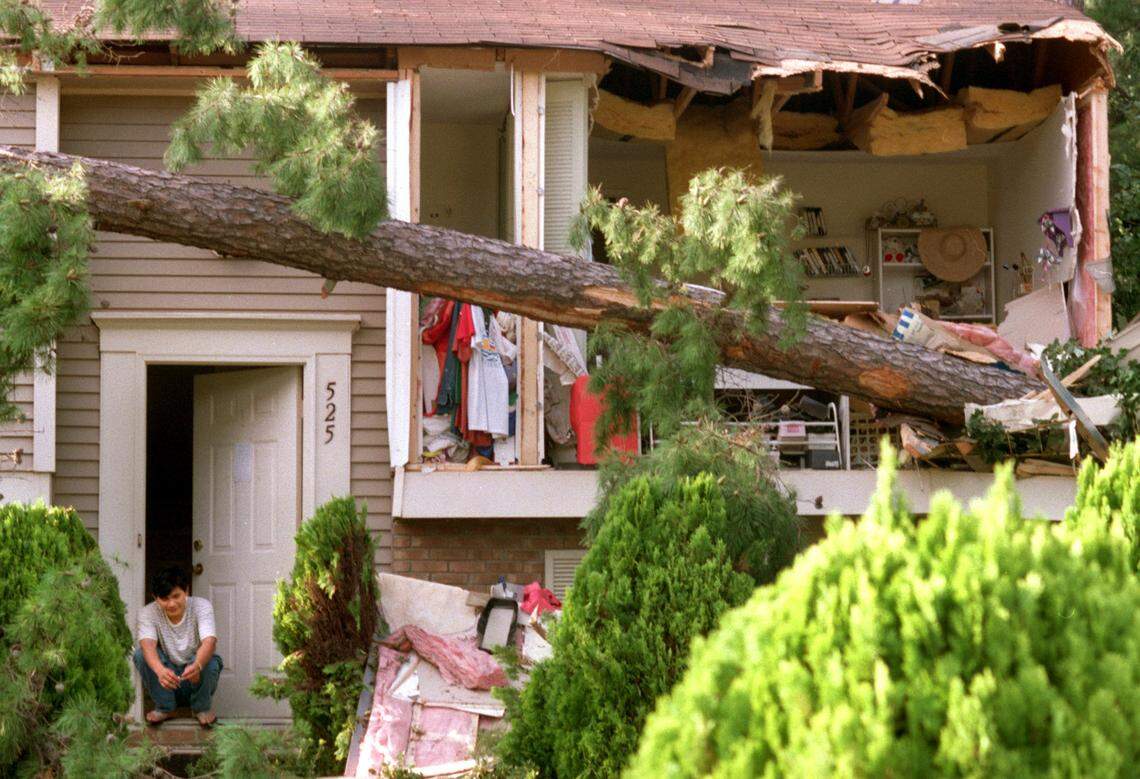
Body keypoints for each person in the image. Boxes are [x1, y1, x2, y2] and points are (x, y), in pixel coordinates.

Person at [133, 565, 222, 727]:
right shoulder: (147, 612)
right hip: (168, 679)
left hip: (194, 675)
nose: (171, 604)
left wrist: (197, 664)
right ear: (155, 597)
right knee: (140, 655)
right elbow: (147, 645)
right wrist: (160, 671)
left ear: (186, 591)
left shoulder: (202, 606)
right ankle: (166, 708)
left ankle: (201, 708)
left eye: (176, 596)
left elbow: (209, 641)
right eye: (164, 599)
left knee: (211, 660)